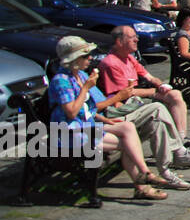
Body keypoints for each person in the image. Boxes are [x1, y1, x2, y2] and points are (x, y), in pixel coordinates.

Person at [49, 36, 168, 200]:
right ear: (74, 60)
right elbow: (71, 113)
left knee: (127, 128)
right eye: (85, 55)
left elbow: (88, 108)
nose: (90, 58)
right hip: (69, 133)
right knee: (129, 144)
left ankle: (145, 174)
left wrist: (106, 120)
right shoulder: (61, 81)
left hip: (86, 126)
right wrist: (86, 89)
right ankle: (142, 184)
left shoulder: (81, 75)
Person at [98, 25, 190, 157]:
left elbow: (148, 76)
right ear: (119, 42)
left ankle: (181, 139)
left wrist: (160, 84)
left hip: (136, 96)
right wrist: (155, 92)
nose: (137, 40)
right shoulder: (111, 63)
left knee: (175, 94)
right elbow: (126, 93)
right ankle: (176, 148)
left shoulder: (128, 57)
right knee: (159, 107)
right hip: (125, 104)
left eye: (136, 37)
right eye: (133, 37)